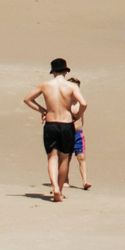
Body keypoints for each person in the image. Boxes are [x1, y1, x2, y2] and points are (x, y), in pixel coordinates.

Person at [23, 58, 86, 203]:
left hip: (51, 124)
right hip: (66, 124)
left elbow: (27, 99)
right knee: (64, 158)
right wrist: (77, 115)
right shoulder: (72, 86)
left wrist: (43, 110)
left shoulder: (45, 85)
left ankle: (55, 187)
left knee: (52, 157)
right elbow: (84, 103)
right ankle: (60, 190)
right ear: (65, 71)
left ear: (53, 72)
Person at [69, 73, 92, 191]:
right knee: (66, 157)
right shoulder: (65, 102)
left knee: (81, 157)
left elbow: (83, 107)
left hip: (78, 133)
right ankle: (65, 180)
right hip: (67, 132)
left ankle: (85, 181)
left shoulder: (80, 102)